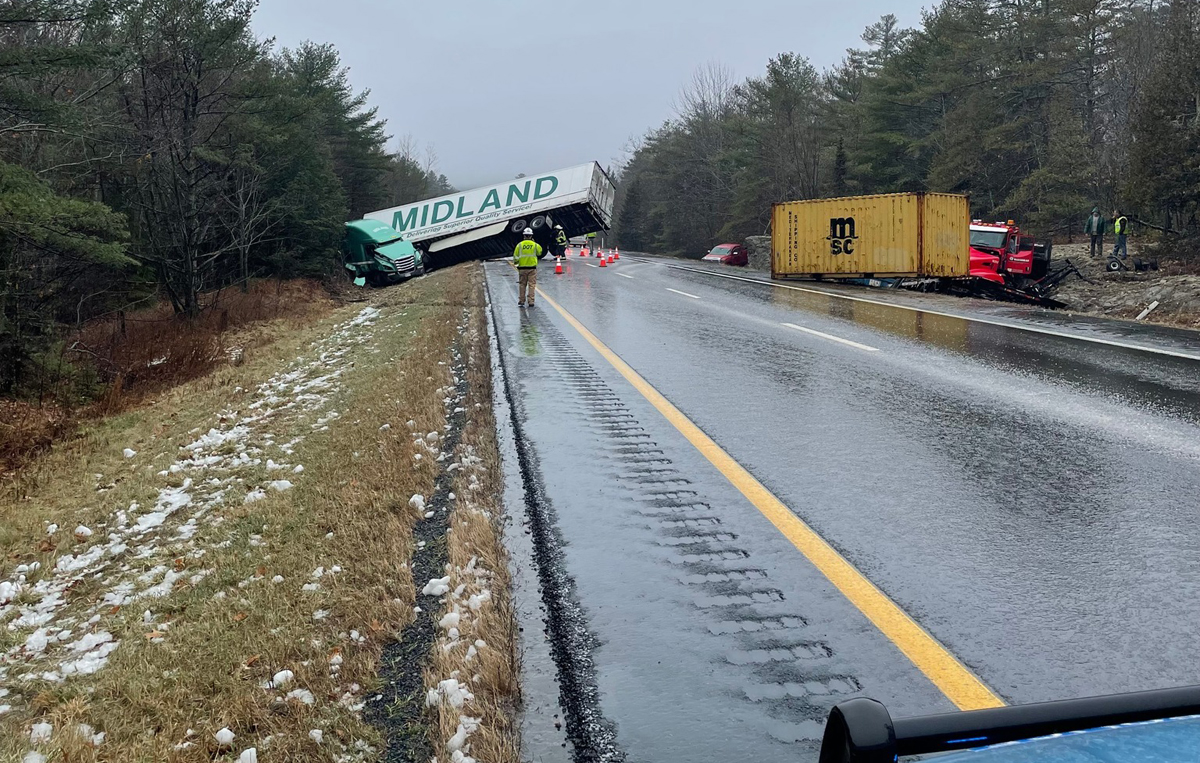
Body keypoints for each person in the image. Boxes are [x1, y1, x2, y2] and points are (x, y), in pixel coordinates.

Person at [513, 227, 542, 307]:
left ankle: (521, 301)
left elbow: (515, 256)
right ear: (531, 236)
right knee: (531, 285)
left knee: (522, 284)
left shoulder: (519, 245)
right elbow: (540, 253)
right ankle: (531, 301)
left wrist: (516, 264)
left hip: (522, 268)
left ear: (524, 236)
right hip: (532, 268)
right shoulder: (535, 245)